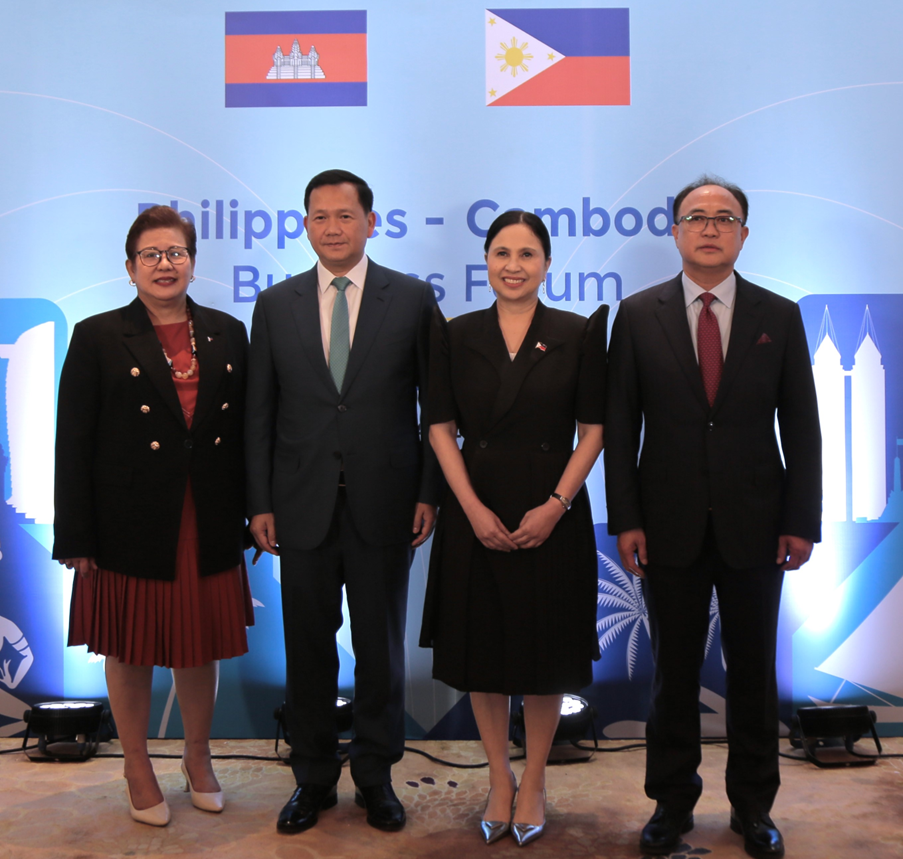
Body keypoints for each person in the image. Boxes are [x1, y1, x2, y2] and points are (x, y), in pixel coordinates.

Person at [604, 176, 821, 859]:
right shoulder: (637, 314)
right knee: (672, 673)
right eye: (695, 216)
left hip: (757, 522)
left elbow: (802, 427)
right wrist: (625, 518)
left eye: (723, 217)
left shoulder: (778, 315)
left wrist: (801, 520)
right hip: (666, 522)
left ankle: (753, 808)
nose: (708, 227)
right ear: (674, 231)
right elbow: (620, 427)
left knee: (754, 673)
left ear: (743, 234)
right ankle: (670, 805)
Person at [245, 169, 443, 834]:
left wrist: (428, 492)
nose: (332, 228)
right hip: (299, 506)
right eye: (320, 216)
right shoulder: (275, 304)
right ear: (305, 225)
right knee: (307, 648)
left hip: (386, 502)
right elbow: (259, 414)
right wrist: (259, 502)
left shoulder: (411, 298)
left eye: (345, 215)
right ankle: (312, 777)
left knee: (380, 649)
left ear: (370, 222)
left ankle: (376, 776)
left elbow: (434, 409)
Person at [53, 205, 254, 826]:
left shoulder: (228, 332)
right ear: (130, 267)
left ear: (193, 262)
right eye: (151, 255)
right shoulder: (97, 335)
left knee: (200, 646)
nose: (165, 265)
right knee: (130, 645)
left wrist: (257, 511)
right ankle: (136, 764)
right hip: (128, 518)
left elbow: (246, 434)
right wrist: (76, 534)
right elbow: (73, 442)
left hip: (208, 513)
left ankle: (198, 757)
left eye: (176, 253)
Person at [420, 211, 607, 847]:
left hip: (552, 509)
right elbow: (440, 428)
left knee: (543, 654)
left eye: (527, 254)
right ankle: (499, 778)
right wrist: (470, 508)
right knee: (485, 653)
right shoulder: (456, 333)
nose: (513, 265)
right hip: (477, 505)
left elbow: (593, 431)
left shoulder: (577, 333)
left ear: (547, 264)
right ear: (486, 261)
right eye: (502, 253)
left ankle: (534, 780)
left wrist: (556, 505)